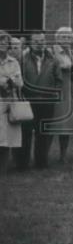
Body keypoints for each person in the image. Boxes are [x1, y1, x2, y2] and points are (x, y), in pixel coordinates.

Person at [19, 32, 61, 170]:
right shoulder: (22, 59)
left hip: (46, 103)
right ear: (31, 43)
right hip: (27, 102)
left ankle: (41, 163)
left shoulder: (53, 60)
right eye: (36, 41)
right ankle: (23, 164)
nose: (40, 43)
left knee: (42, 133)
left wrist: (53, 93)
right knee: (25, 134)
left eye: (42, 40)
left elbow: (58, 80)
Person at [50, 27, 73, 164]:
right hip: (56, 92)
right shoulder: (51, 52)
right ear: (57, 39)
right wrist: (65, 67)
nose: (67, 40)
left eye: (69, 37)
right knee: (51, 124)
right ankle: (44, 154)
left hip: (69, 92)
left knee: (66, 127)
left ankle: (63, 156)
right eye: (64, 37)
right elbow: (51, 69)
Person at [0, 30, 23, 174]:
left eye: (5, 42)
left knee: (6, 136)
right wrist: (4, 80)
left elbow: (20, 82)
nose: (3, 44)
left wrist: (11, 81)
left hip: (9, 101)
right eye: (0, 41)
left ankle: (3, 168)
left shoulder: (13, 61)